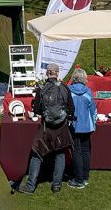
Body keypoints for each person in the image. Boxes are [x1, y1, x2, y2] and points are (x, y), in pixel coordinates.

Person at [18, 63, 74, 195]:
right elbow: (71, 108)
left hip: (45, 128)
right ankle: (56, 186)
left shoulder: (41, 89)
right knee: (60, 155)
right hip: (61, 127)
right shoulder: (65, 89)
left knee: (37, 154)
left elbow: (36, 110)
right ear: (58, 74)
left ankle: (30, 186)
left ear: (47, 74)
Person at [67, 67, 96, 189]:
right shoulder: (88, 92)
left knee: (76, 152)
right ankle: (84, 177)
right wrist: (93, 124)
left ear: (74, 78)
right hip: (87, 127)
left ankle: (79, 179)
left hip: (74, 126)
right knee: (85, 151)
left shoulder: (68, 91)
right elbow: (93, 111)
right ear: (85, 79)